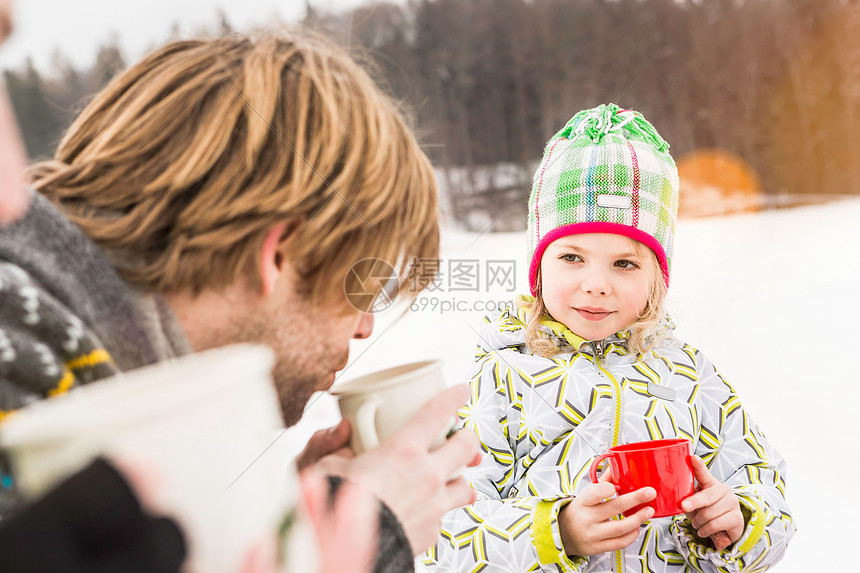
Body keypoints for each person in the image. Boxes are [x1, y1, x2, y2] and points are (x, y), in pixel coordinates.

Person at [0, 27, 478, 572]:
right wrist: (372, 546)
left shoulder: (111, 381)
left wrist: (286, 535)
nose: (366, 326)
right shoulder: (23, 375)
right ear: (279, 253)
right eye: (362, 287)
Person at [421, 103, 795, 572]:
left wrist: (740, 519)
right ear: (539, 268)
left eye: (624, 263)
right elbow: (442, 536)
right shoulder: (501, 376)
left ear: (657, 278)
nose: (596, 283)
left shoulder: (687, 375)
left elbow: (764, 484)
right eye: (573, 258)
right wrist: (557, 534)